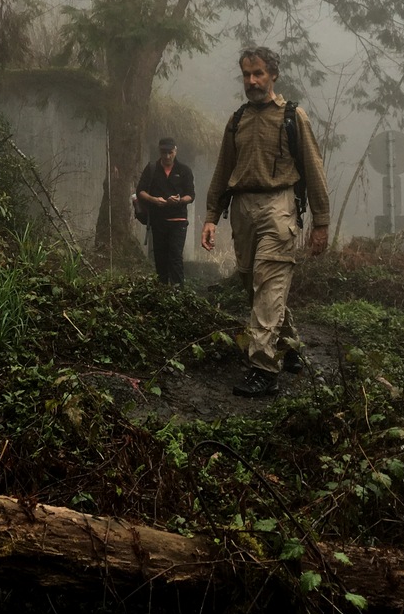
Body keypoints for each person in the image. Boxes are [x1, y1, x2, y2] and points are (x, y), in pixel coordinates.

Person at [200, 47, 330, 397]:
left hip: (279, 206)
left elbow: (314, 171)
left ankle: (263, 369)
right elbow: (222, 170)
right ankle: (289, 347)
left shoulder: (293, 117)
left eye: (258, 73)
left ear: (273, 74)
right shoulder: (237, 119)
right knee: (251, 282)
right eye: (246, 74)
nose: (252, 81)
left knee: (268, 281)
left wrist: (321, 222)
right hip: (242, 209)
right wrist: (211, 216)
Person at [136, 137, 196, 286]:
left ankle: (178, 292)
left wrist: (180, 200)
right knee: (160, 258)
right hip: (158, 221)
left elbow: (191, 195)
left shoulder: (184, 170)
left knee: (175, 257)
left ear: (175, 151)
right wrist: (154, 200)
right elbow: (140, 191)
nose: (167, 156)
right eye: (164, 152)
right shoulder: (152, 169)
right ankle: (162, 291)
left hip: (178, 221)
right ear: (159, 151)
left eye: (170, 152)